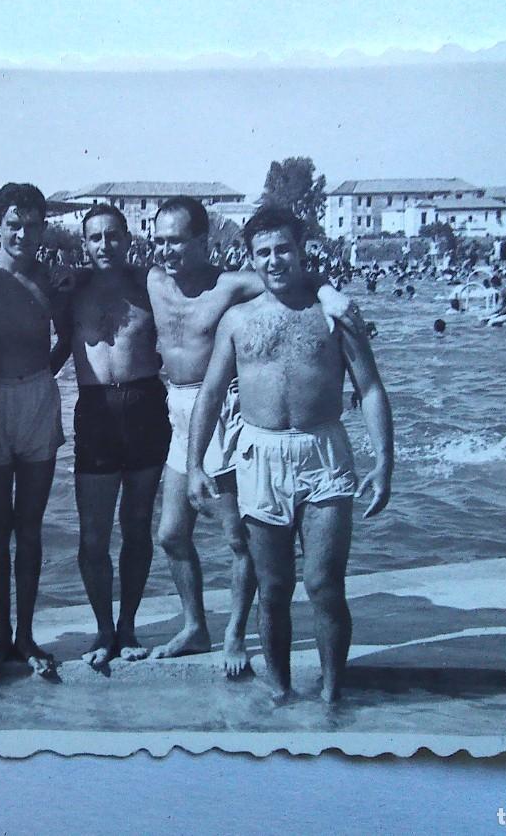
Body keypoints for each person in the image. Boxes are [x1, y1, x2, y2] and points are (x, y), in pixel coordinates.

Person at [187, 205, 393, 706]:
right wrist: (195, 464)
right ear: (250, 258)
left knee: (324, 584)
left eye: (284, 249)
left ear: (302, 252)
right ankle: (279, 693)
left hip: (323, 451)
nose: (275, 260)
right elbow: (210, 395)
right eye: (264, 252)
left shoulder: (335, 314)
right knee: (273, 587)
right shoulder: (237, 320)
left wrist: (384, 461)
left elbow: (369, 389)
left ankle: (331, 697)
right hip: (260, 456)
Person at [145, 196, 356, 675]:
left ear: (203, 240)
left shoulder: (232, 284)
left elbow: (292, 278)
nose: (166, 251)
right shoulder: (154, 280)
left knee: (239, 540)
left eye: (176, 241)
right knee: (171, 535)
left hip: (221, 407)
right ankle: (194, 625)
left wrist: (330, 295)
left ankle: (235, 635)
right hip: (179, 409)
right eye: (160, 241)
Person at [0, 183, 69, 677]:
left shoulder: (51, 279)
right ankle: (1, 635)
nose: (22, 233)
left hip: (37, 399)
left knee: (29, 527)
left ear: (43, 227)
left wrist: (41, 375)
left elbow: (66, 338)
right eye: (13, 224)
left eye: (31, 224)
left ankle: (25, 635)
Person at [66, 204, 169, 668]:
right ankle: (103, 629)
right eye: (95, 238)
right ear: (83, 243)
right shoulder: (69, 290)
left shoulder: (151, 285)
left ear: (128, 237)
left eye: (112, 236)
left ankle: (127, 625)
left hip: (145, 406)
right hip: (95, 411)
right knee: (92, 537)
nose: (104, 245)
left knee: (137, 526)